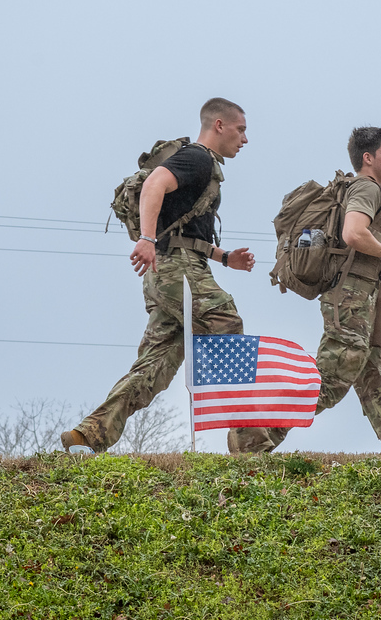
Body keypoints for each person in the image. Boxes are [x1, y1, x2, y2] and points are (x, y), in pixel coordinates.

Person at [61, 98, 256, 454]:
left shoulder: (203, 166)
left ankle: (91, 433)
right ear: (218, 125)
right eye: (240, 129)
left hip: (168, 270)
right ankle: (249, 442)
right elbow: (154, 185)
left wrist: (225, 257)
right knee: (227, 322)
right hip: (176, 270)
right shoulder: (197, 158)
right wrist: (147, 239)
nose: (244, 139)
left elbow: (186, 231)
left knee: (155, 366)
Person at [228, 126, 381, 454]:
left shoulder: (360, 189)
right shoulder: (367, 188)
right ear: (368, 157)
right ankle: (249, 436)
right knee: (327, 383)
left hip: (362, 302)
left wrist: (377, 285)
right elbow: (354, 234)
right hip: (351, 304)